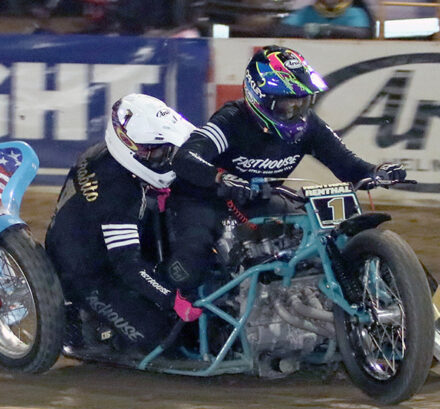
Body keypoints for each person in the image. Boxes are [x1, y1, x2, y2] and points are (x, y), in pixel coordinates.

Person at [164, 45, 407, 302]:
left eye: (301, 102)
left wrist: (376, 171)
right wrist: (221, 177)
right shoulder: (231, 121)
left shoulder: (309, 125)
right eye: (286, 104)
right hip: (205, 201)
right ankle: (184, 324)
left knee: (329, 237)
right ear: (259, 98)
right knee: (190, 265)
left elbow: (347, 165)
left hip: (259, 199)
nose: (295, 111)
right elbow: (185, 157)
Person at [45, 93, 198, 355]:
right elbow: (127, 265)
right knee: (164, 337)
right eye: (156, 152)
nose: (165, 158)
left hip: (85, 239)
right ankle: (93, 328)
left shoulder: (102, 154)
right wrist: (171, 300)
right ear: (129, 147)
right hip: (86, 274)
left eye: (168, 150)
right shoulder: (119, 195)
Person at [276, 0, 373, 39]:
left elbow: (362, 33)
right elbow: (281, 30)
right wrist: (305, 30)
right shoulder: (307, 13)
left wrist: (326, 30)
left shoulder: (354, 13)